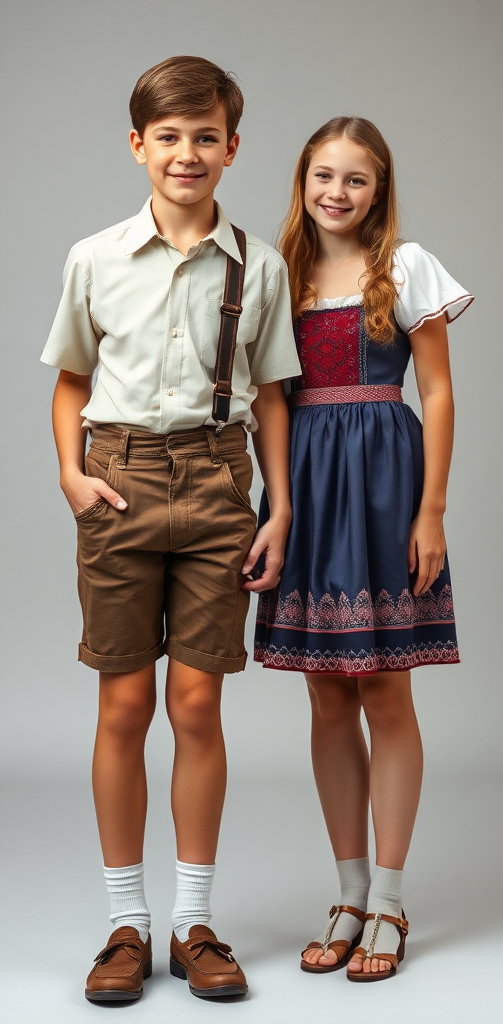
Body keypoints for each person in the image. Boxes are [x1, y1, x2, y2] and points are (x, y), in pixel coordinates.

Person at [41, 55, 301, 1003]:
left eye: (204, 137)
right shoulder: (94, 257)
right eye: (167, 137)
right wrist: (70, 474)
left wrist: (280, 506)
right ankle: (126, 925)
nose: (185, 153)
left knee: (197, 708)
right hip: (118, 480)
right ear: (137, 145)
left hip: (219, 483)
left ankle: (194, 923)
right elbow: (71, 379)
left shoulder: (257, 265)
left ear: (232, 148)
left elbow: (273, 396)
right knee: (123, 706)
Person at [252, 116, 473, 981]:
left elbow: (440, 390)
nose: (337, 192)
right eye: (323, 176)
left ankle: (389, 897)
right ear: (301, 181)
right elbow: (269, 394)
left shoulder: (404, 265)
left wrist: (434, 510)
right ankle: (346, 894)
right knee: (325, 695)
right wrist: (277, 502)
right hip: (305, 482)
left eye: (357, 179)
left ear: (380, 191)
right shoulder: (280, 273)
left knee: (385, 688)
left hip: (384, 480)